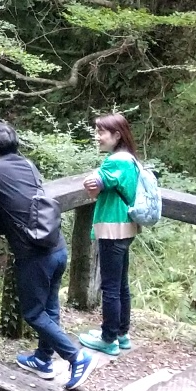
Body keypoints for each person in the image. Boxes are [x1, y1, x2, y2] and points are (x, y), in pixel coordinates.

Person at [0, 120, 95, 391]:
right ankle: (43, 359)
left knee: (33, 313)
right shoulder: (28, 164)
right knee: (50, 306)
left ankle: (76, 356)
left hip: (33, 254)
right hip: (56, 245)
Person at [79, 113, 140, 356]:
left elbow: (93, 185)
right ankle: (121, 333)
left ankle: (108, 338)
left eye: (101, 132)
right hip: (127, 226)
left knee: (111, 287)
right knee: (121, 284)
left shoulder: (116, 161)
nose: (97, 137)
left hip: (112, 228)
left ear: (117, 135)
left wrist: (91, 179)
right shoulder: (131, 160)